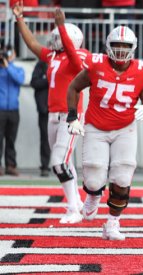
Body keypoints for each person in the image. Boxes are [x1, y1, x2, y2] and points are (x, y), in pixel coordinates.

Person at [66, 25, 143, 241]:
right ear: (108, 45)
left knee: (123, 175)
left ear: (133, 48)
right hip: (96, 127)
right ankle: (92, 194)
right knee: (94, 175)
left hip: (125, 128)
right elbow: (73, 87)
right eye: (116, 45)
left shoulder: (142, 71)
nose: (120, 49)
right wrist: (72, 116)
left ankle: (112, 223)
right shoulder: (96, 65)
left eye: (125, 45)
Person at [13, 4, 88, 223]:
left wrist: (61, 27)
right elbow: (33, 44)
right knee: (65, 163)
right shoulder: (54, 57)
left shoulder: (79, 55)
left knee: (58, 162)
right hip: (53, 115)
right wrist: (20, 19)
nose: (54, 40)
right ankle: (77, 203)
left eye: (60, 36)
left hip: (71, 116)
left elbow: (74, 58)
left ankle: (73, 208)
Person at [0, 45, 24, 177]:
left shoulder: (17, 69)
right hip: (0, 110)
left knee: (11, 139)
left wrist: (8, 66)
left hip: (13, 110)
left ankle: (10, 165)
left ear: (14, 54)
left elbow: (19, 80)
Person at [30, 60, 50, 177]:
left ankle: (63, 165)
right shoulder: (42, 64)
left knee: (63, 138)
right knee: (45, 138)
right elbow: (34, 82)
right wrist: (49, 79)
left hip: (60, 108)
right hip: (45, 109)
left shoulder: (64, 62)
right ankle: (45, 166)